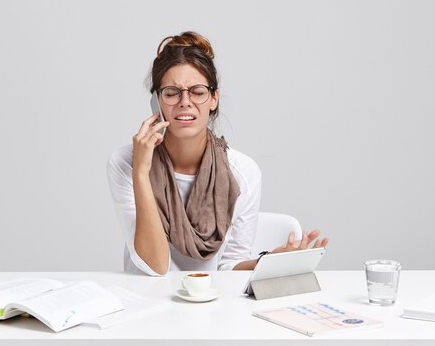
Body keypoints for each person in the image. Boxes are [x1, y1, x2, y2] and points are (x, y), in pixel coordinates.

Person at [107, 31, 328, 276]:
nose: (185, 101)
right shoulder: (125, 164)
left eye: (198, 91)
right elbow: (156, 267)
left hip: (212, 303)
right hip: (146, 300)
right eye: (171, 93)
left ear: (214, 99)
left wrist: (269, 263)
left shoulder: (243, 172)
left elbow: (230, 266)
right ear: (157, 101)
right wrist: (141, 172)